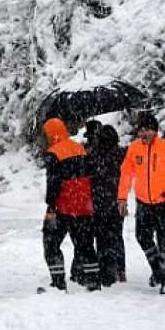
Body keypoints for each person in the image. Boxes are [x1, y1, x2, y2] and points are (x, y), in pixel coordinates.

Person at [118, 112, 165, 294]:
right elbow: (126, 174)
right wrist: (122, 198)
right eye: (141, 130)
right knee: (142, 237)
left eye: (147, 130)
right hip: (143, 202)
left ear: (155, 130)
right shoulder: (134, 148)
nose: (144, 134)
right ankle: (157, 269)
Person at [41, 118, 100, 292]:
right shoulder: (79, 148)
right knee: (85, 244)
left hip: (64, 205)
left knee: (51, 242)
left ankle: (58, 282)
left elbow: (54, 183)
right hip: (83, 203)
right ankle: (93, 280)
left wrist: (51, 206)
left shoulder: (54, 153)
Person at [88, 125, 126, 285]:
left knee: (102, 238)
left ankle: (106, 271)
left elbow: (88, 177)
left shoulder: (93, 155)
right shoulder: (121, 154)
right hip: (117, 201)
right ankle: (120, 269)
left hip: (99, 202)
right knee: (117, 236)